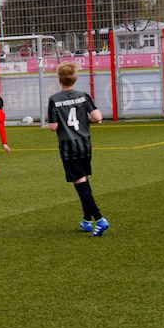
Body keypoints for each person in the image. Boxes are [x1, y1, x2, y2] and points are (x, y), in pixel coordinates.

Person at [47, 61, 109, 237]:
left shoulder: (55, 99)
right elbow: (97, 117)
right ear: (75, 78)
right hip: (85, 144)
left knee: (79, 183)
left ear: (59, 80)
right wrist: (84, 121)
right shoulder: (83, 95)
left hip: (69, 146)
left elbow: (53, 126)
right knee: (84, 179)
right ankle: (87, 221)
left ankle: (100, 219)